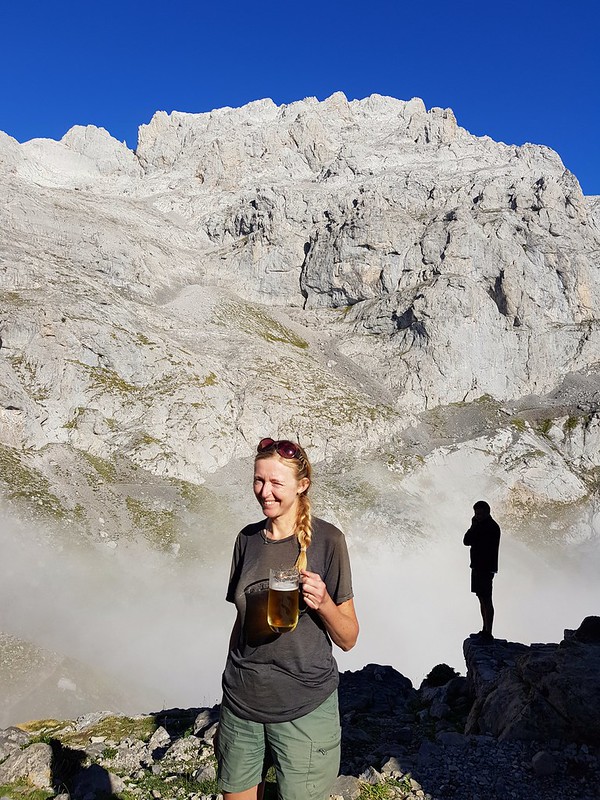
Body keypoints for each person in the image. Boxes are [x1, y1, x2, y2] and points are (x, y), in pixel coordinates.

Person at [216, 437, 359, 800]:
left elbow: (348, 638)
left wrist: (324, 603)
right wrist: (229, 678)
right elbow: (241, 621)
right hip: (241, 703)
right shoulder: (247, 539)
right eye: (259, 480)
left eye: (276, 483)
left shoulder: (328, 541)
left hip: (303, 708)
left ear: (302, 485)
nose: (265, 492)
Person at [463, 500, 501, 642]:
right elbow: (466, 541)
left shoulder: (490, 527)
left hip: (485, 568)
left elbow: (470, 541)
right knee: (482, 598)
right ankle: (485, 629)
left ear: (487, 513)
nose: (477, 516)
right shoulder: (481, 525)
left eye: (479, 514)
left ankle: (488, 632)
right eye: (476, 514)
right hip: (478, 567)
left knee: (486, 599)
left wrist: (474, 526)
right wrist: (474, 526)